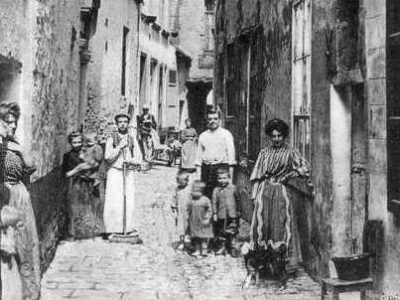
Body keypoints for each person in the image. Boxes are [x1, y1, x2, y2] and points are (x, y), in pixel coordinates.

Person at [249, 119, 311, 277]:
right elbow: (257, 175)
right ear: (269, 136)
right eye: (273, 136)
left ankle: (282, 263)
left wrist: (291, 174)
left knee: (281, 225)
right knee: (264, 227)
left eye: (280, 136)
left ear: (284, 136)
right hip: (265, 192)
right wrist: (254, 195)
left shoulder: (291, 152)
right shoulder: (264, 153)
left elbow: (304, 167)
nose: (276, 139)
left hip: (282, 193)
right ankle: (264, 261)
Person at [0, 102, 41, 300]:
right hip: (4, 197)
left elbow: (31, 166)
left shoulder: (15, 144)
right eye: (8, 122)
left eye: (14, 122)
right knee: (7, 245)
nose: (12, 126)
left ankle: (27, 294)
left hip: (20, 196)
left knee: (24, 246)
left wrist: (20, 148)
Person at [103, 113, 140, 237]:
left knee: (128, 199)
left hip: (127, 172)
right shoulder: (111, 138)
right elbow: (107, 157)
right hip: (114, 172)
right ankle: (112, 228)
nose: (123, 124)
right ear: (117, 124)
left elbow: (138, 157)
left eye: (125, 121)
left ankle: (127, 227)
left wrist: (131, 161)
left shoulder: (131, 138)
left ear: (128, 123)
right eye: (120, 122)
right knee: (114, 201)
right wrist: (119, 146)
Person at [62, 131, 104, 239]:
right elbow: (66, 174)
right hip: (75, 184)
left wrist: (89, 165)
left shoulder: (86, 153)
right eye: (74, 142)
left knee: (88, 207)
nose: (77, 145)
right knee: (74, 208)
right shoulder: (67, 156)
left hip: (87, 183)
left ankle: (87, 232)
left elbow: (94, 164)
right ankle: (74, 233)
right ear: (70, 143)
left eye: (79, 142)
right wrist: (78, 168)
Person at [195, 108, 236, 198]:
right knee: (206, 198)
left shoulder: (226, 134)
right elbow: (198, 161)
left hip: (221, 170)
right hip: (206, 171)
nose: (212, 121)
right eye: (210, 119)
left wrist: (230, 182)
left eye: (215, 118)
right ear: (207, 120)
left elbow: (231, 161)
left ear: (219, 120)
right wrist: (198, 180)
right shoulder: (203, 136)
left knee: (221, 199)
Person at [212, 166, 240, 256]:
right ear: (217, 179)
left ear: (229, 178)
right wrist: (215, 213)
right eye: (220, 178)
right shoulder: (216, 190)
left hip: (232, 214)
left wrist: (238, 211)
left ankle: (233, 248)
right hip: (221, 214)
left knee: (232, 231)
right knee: (221, 231)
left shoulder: (233, 188)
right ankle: (222, 247)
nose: (222, 180)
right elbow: (214, 202)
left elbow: (238, 199)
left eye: (224, 178)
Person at [0, 205, 24, 300]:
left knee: (15, 286)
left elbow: (13, 247)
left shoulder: (10, 231)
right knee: (7, 287)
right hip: (4, 263)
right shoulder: (3, 233)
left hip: (11, 263)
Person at [187, 180, 213, 257]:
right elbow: (188, 209)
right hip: (195, 222)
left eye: (196, 191)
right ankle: (197, 250)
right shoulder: (191, 200)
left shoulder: (205, 200)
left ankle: (204, 250)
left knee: (204, 237)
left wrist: (207, 218)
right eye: (193, 190)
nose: (194, 192)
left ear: (201, 191)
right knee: (196, 238)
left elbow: (209, 210)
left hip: (203, 222)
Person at [170, 170, 191, 251]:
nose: (185, 182)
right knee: (181, 228)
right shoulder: (177, 189)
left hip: (188, 212)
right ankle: (182, 242)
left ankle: (188, 243)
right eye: (182, 181)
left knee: (189, 227)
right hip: (180, 214)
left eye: (186, 180)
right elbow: (173, 200)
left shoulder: (189, 189)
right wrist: (174, 210)